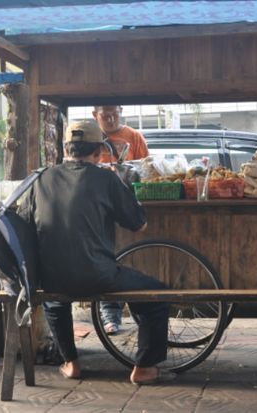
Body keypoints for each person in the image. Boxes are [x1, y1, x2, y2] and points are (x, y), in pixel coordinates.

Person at [18, 120, 174, 385]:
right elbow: (139, 224)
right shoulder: (105, 178)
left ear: (65, 149)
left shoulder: (40, 178)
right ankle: (145, 367)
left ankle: (71, 362)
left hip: (51, 278)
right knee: (157, 295)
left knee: (55, 301)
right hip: (98, 275)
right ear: (99, 151)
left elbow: (23, 225)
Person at [92, 105, 149, 334]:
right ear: (95, 115)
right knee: (107, 258)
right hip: (99, 208)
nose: (111, 118)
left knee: (132, 261)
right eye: (105, 115)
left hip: (126, 204)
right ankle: (111, 317)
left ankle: (138, 312)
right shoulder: (91, 138)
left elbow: (147, 170)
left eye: (114, 113)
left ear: (121, 110)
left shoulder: (134, 137)